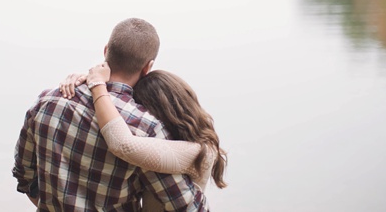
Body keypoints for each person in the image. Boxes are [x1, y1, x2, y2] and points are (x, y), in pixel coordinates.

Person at [13, 18, 209, 211]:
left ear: (106, 50)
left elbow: (26, 178)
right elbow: (184, 205)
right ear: (148, 67)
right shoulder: (147, 127)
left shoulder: (47, 101)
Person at [59, 64, 227, 211]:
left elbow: (123, 145)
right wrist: (82, 80)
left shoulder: (197, 151)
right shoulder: (191, 144)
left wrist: (97, 85)